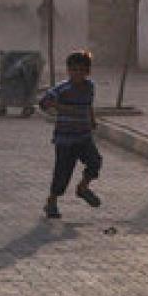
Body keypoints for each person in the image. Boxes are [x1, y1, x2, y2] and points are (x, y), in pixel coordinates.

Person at [38, 50, 102, 219]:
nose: (78, 74)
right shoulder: (62, 88)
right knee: (62, 172)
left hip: (83, 136)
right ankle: (51, 202)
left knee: (95, 162)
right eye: (74, 70)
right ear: (68, 71)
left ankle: (83, 188)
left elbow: (88, 105)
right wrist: (63, 108)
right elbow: (44, 103)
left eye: (82, 70)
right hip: (65, 139)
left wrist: (92, 120)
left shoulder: (90, 86)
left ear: (88, 71)